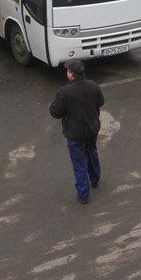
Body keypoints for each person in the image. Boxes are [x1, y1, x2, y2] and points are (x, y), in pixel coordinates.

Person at [48, 59, 105, 205]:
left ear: (71, 74)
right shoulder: (93, 85)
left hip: (75, 133)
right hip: (92, 128)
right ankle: (95, 179)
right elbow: (101, 102)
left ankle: (83, 194)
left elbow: (55, 112)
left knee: (79, 163)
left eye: (67, 70)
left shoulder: (64, 92)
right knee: (92, 152)